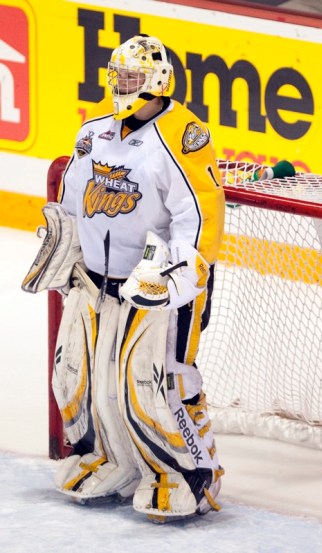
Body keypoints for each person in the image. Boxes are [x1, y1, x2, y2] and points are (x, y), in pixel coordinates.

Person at [22, 34, 225, 522]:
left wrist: (176, 273)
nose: (120, 87)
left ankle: (190, 475)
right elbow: (73, 199)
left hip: (161, 286)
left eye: (130, 78)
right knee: (80, 379)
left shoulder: (182, 135)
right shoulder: (95, 131)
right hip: (96, 282)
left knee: (154, 383)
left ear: (156, 82)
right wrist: (64, 244)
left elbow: (199, 213)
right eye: (117, 77)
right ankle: (110, 459)